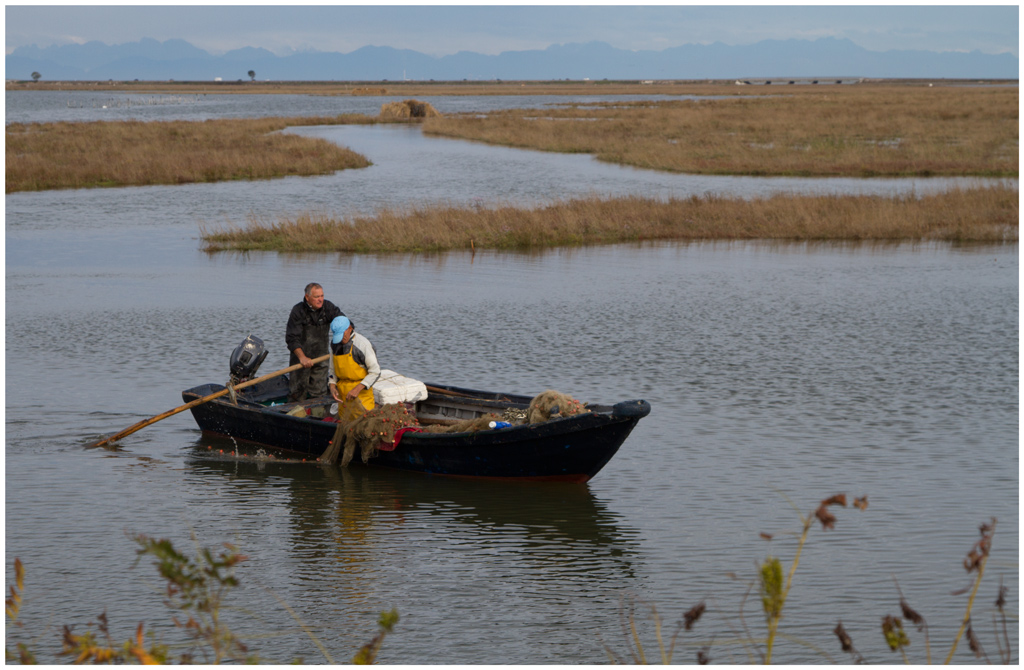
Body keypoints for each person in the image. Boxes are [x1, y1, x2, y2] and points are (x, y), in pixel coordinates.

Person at [285, 283, 345, 402]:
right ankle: (295, 416)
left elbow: (343, 323)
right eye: (317, 297)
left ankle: (317, 416)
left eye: (322, 296)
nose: (320, 299)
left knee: (319, 393)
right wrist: (302, 357)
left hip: (321, 358)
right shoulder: (298, 311)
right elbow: (291, 338)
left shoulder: (328, 307)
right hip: (300, 360)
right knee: (297, 392)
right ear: (307, 297)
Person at [327, 316, 381, 411]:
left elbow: (375, 372)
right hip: (342, 396)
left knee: (362, 423)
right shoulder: (334, 344)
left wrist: (357, 389)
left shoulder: (362, 345)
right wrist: (332, 385)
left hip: (361, 396)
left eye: (342, 334)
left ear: (350, 329)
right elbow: (332, 368)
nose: (341, 339)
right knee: (345, 423)